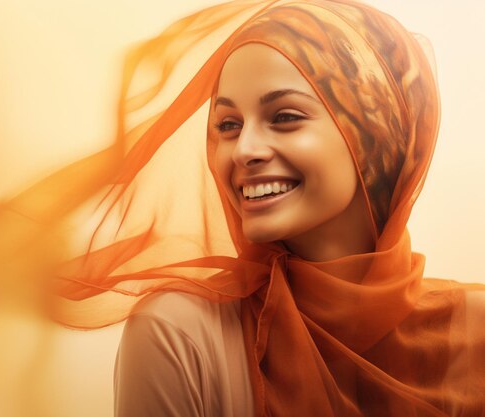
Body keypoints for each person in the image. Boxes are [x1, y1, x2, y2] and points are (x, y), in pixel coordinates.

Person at [53, 0, 485, 416]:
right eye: (228, 125)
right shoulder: (178, 333)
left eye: (284, 117)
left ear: (373, 136)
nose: (244, 150)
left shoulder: (475, 329)